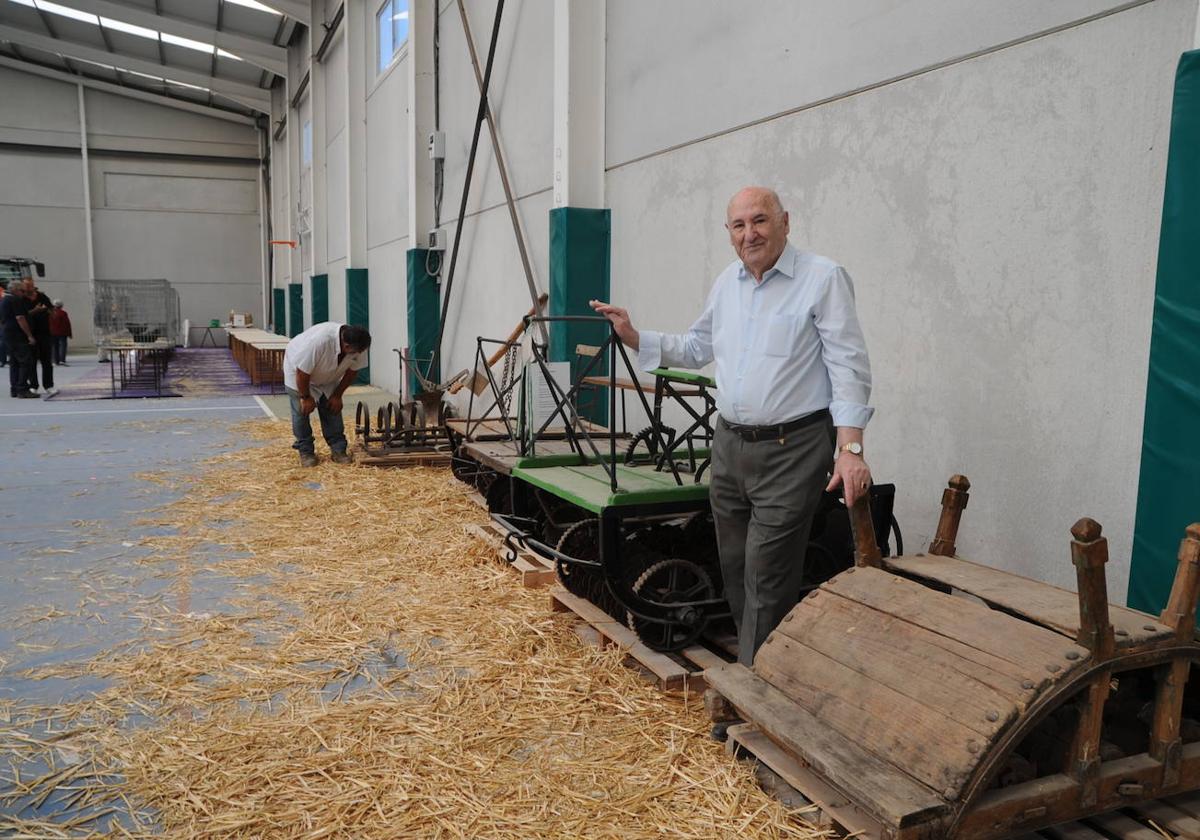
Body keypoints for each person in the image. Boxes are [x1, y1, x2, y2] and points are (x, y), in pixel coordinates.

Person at [591, 186, 874, 667]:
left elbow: (848, 366)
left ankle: (750, 690)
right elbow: (698, 347)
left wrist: (850, 448)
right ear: (729, 233)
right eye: (739, 226)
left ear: (786, 221)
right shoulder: (728, 284)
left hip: (795, 447)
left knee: (766, 572)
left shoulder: (822, 279)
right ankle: (765, 664)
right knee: (736, 566)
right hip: (730, 446)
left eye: (760, 221)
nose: (750, 234)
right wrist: (635, 337)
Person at [282, 322, 371, 467]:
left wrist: (337, 395)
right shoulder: (319, 342)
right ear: (346, 346)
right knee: (301, 412)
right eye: (356, 352)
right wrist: (306, 397)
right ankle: (306, 452)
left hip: (328, 376)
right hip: (299, 374)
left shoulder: (359, 344)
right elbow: (302, 373)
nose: (360, 354)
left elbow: (353, 371)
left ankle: (338, 450)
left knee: (333, 409)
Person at [1, 280, 38, 398]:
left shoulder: (4, 300)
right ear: (15, 290)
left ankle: (15, 388)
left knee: (14, 362)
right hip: (17, 335)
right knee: (25, 361)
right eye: (22, 291)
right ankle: (22, 388)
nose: (24, 294)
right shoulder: (15, 300)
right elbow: (20, 318)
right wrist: (29, 335)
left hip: (8, 334)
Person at [24, 281, 53, 395]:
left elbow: (51, 310)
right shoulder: (22, 299)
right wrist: (35, 311)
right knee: (31, 361)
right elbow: (22, 315)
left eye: (29, 287)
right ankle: (33, 385)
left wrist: (49, 311)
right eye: (25, 288)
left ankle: (49, 385)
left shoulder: (42, 296)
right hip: (30, 333)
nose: (27, 289)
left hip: (44, 332)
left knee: (46, 361)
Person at [49, 300, 72, 365]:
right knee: (62, 346)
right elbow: (67, 324)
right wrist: (69, 333)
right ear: (61, 306)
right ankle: (62, 359)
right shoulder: (63, 313)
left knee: (54, 346)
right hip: (62, 333)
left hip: (52, 332)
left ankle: (55, 360)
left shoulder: (50, 313)